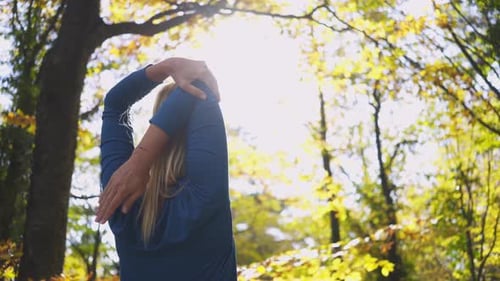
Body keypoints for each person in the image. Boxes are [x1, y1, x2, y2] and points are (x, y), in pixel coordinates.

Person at [95, 57, 236, 280]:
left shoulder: (121, 197)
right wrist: (138, 161)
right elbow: (198, 87)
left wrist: (168, 66)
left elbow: (115, 104)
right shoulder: (204, 195)